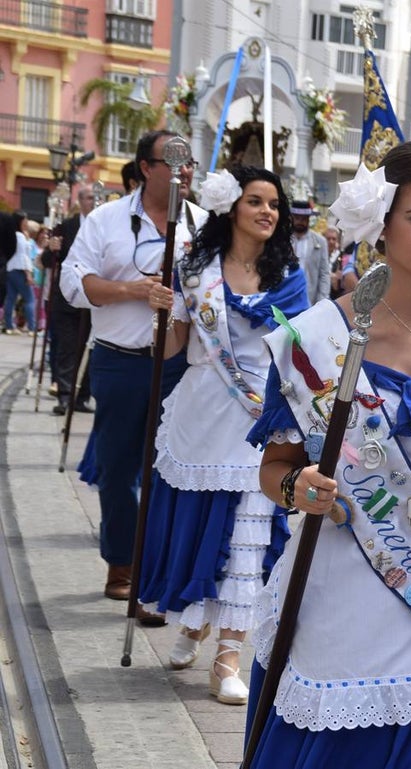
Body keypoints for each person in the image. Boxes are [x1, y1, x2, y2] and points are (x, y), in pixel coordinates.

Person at [244, 141, 411, 767]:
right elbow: (274, 469)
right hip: (338, 590)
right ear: (383, 224)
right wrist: (298, 489)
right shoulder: (316, 338)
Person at [138, 166, 308, 706]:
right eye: (256, 201)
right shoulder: (194, 270)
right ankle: (196, 623)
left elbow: (299, 351)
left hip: (260, 415)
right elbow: (169, 352)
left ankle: (229, 654)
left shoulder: (289, 277)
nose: (267, 212)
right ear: (232, 207)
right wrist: (160, 315)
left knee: (250, 530)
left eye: (274, 204)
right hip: (203, 409)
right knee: (203, 525)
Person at [59, 129, 207, 603]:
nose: (183, 171)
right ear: (146, 167)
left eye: (189, 163)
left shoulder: (202, 226)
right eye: (173, 162)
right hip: (119, 361)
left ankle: (155, 570)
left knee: (170, 468)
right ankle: (121, 562)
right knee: (119, 466)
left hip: (179, 365)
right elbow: (72, 281)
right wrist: (133, 290)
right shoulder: (106, 220)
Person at [42, 185, 97, 415]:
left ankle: (81, 396)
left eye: (95, 198)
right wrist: (51, 248)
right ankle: (64, 396)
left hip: (93, 297)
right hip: (66, 298)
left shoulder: (102, 225)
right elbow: (47, 261)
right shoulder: (67, 226)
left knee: (89, 348)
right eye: (90, 198)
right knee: (67, 347)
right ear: (81, 200)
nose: (93, 202)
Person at [289, 200, 331, 306]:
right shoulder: (284, 240)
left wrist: (321, 302)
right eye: (297, 218)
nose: (300, 221)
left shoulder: (320, 241)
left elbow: (324, 273)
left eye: (303, 218)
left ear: (308, 219)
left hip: (309, 299)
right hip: (287, 297)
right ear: (292, 218)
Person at [4, 211, 36, 333]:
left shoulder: (11, 235)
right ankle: (32, 328)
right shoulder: (21, 237)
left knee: (10, 298)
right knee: (29, 299)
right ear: (21, 221)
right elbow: (23, 257)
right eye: (25, 220)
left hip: (10, 269)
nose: (27, 222)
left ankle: (9, 326)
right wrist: (28, 274)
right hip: (20, 270)